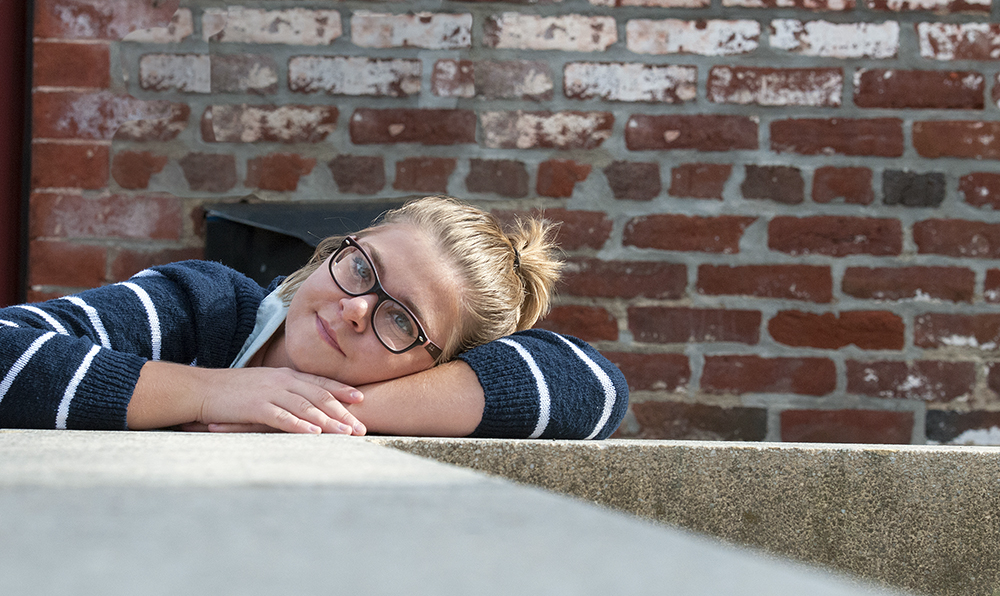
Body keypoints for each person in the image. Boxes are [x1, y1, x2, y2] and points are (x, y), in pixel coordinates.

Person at [0, 196, 628, 439]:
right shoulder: (207, 306)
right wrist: (217, 394)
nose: (355, 308)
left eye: (402, 321)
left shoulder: (420, 397)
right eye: (362, 267)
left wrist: (314, 414)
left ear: (438, 365)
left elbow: (596, 388)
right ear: (338, 248)